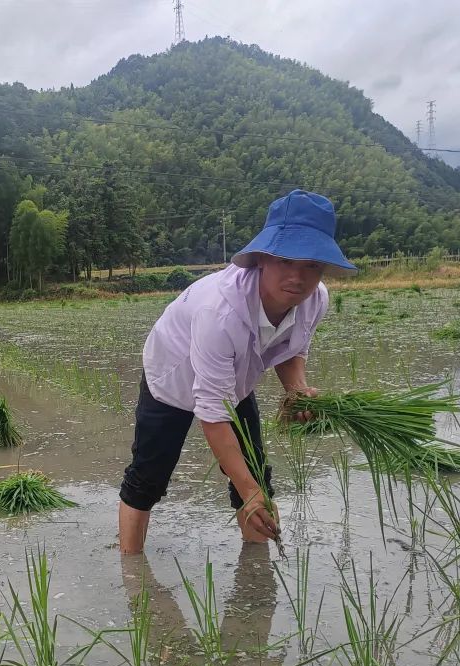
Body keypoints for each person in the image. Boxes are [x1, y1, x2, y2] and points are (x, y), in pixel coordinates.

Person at [118, 190, 357, 554]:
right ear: (262, 259)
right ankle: (131, 570)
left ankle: (258, 569)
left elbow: (291, 347)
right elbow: (213, 415)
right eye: (285, 260)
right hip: (173, 376)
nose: (297, 277)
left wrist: (297, 389)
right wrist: (249, 492)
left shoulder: (315, 299)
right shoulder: (220, 312)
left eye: (311, 264)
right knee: (148, 476)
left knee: (255, 474)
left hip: (235, 380)